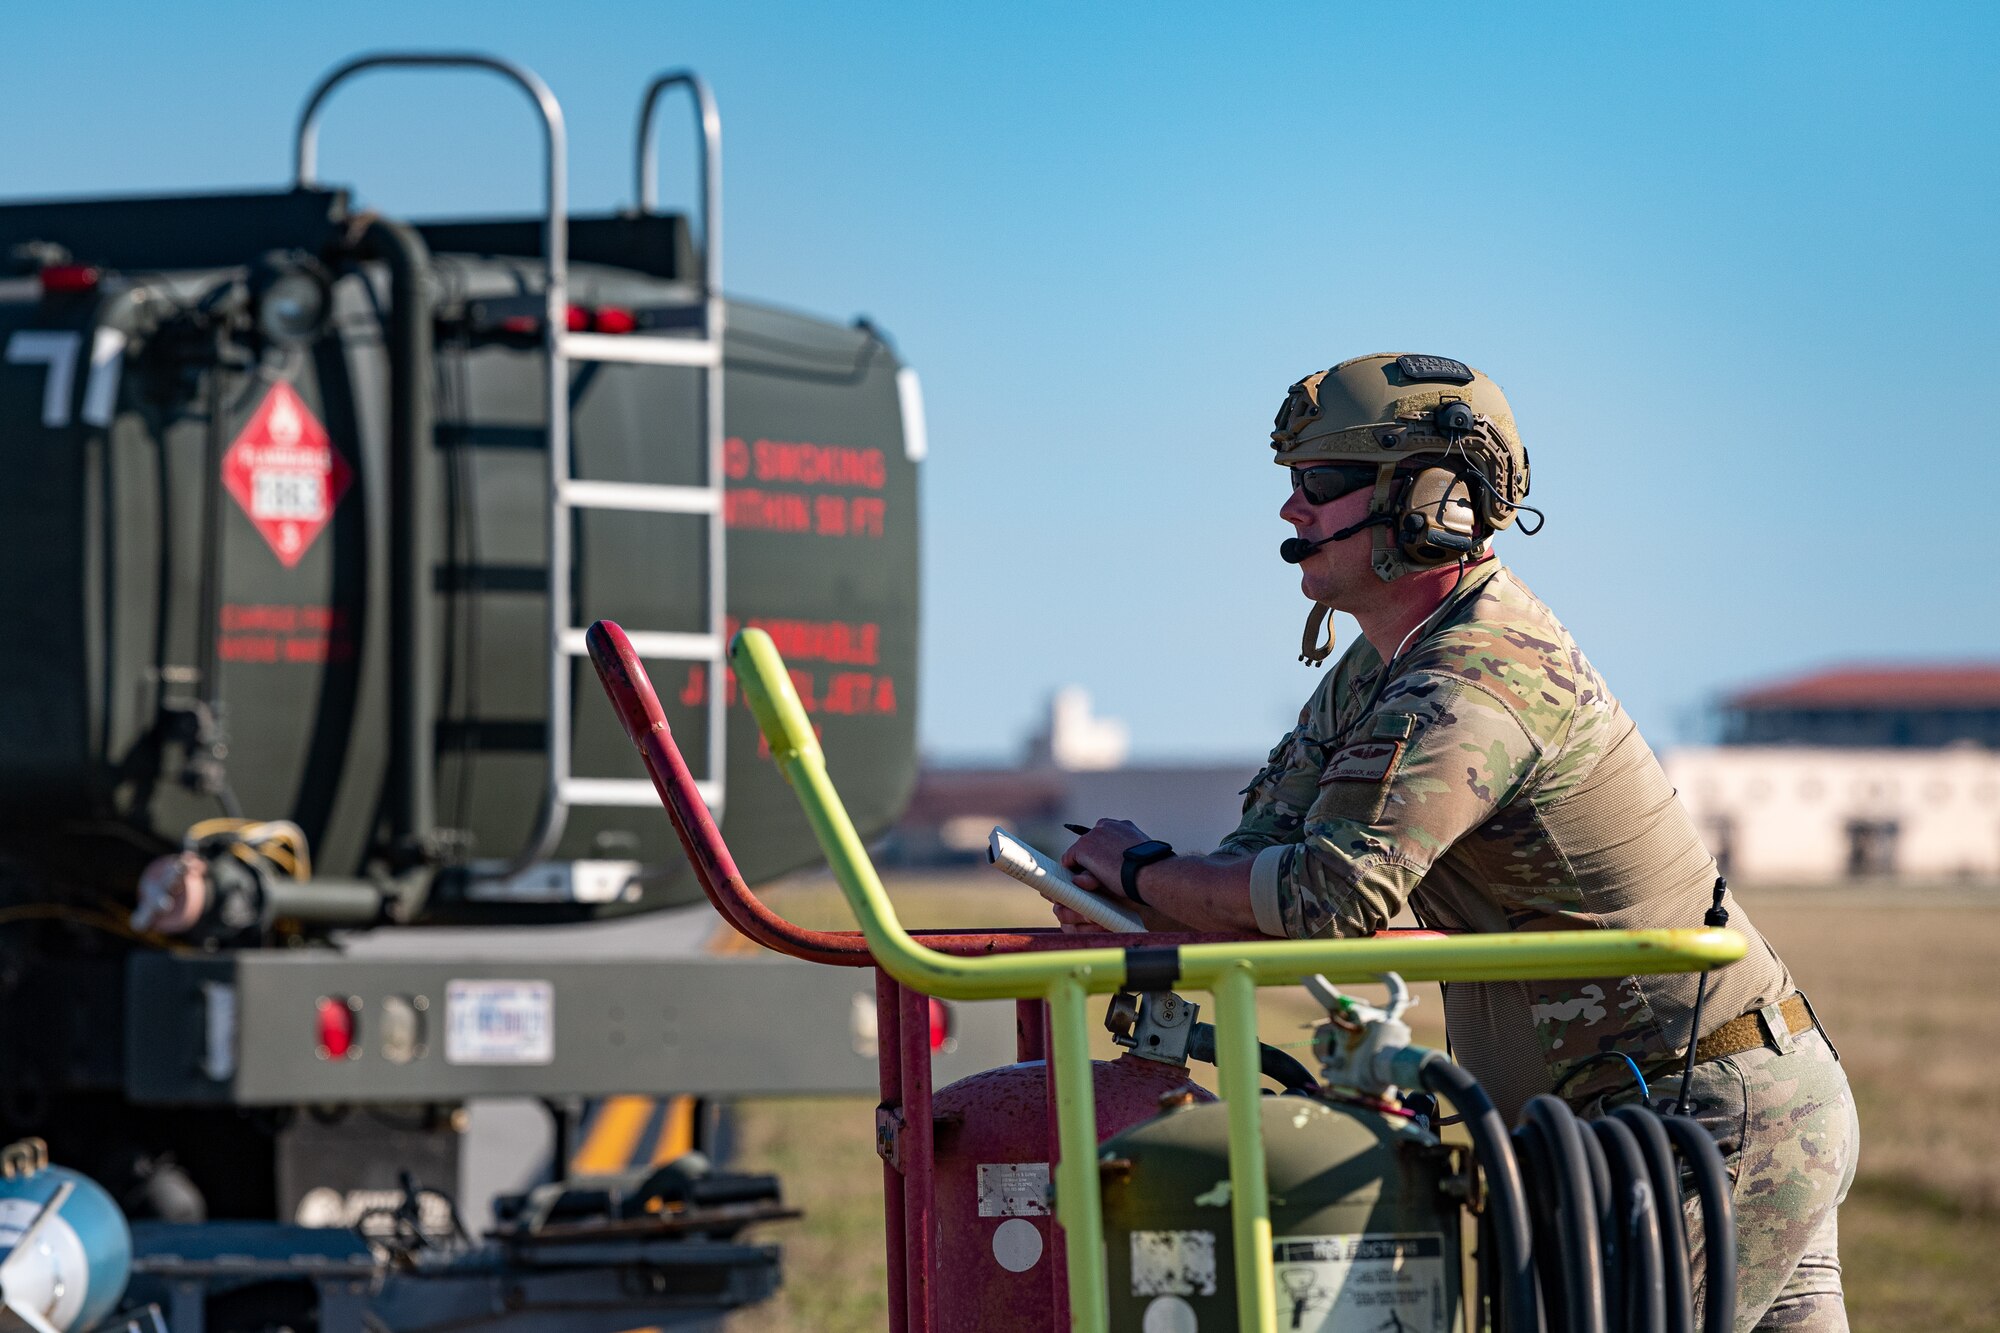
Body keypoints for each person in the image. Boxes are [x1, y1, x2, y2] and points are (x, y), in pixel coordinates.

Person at [1056, 354, 1860, 1332]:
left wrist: (1146, 871)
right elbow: (1260, 852)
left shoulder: (1474, 676)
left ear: (1425, 500)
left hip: (1697, 1125)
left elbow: (1327, 899)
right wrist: (1144, 895)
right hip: (1675, 1114)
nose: (1290, 512)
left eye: (1317, 483)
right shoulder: (1386, 665)